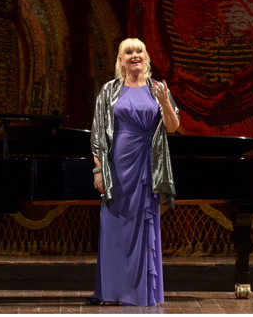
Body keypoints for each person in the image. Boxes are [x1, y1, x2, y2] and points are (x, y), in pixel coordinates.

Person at [87, 38, 180, 306]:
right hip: (117, 167)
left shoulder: (157, 88)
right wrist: (98, 171)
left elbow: (172, 126)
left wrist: (164, 102)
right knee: (115, 227)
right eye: (128, 52)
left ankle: (140, 292)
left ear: (146, 57)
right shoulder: (109, 90)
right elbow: (97, 135)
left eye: (139, 50)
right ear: (120, 60)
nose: (134, 55)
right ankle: (112, 291)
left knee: (142, 226)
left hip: (147, 166)